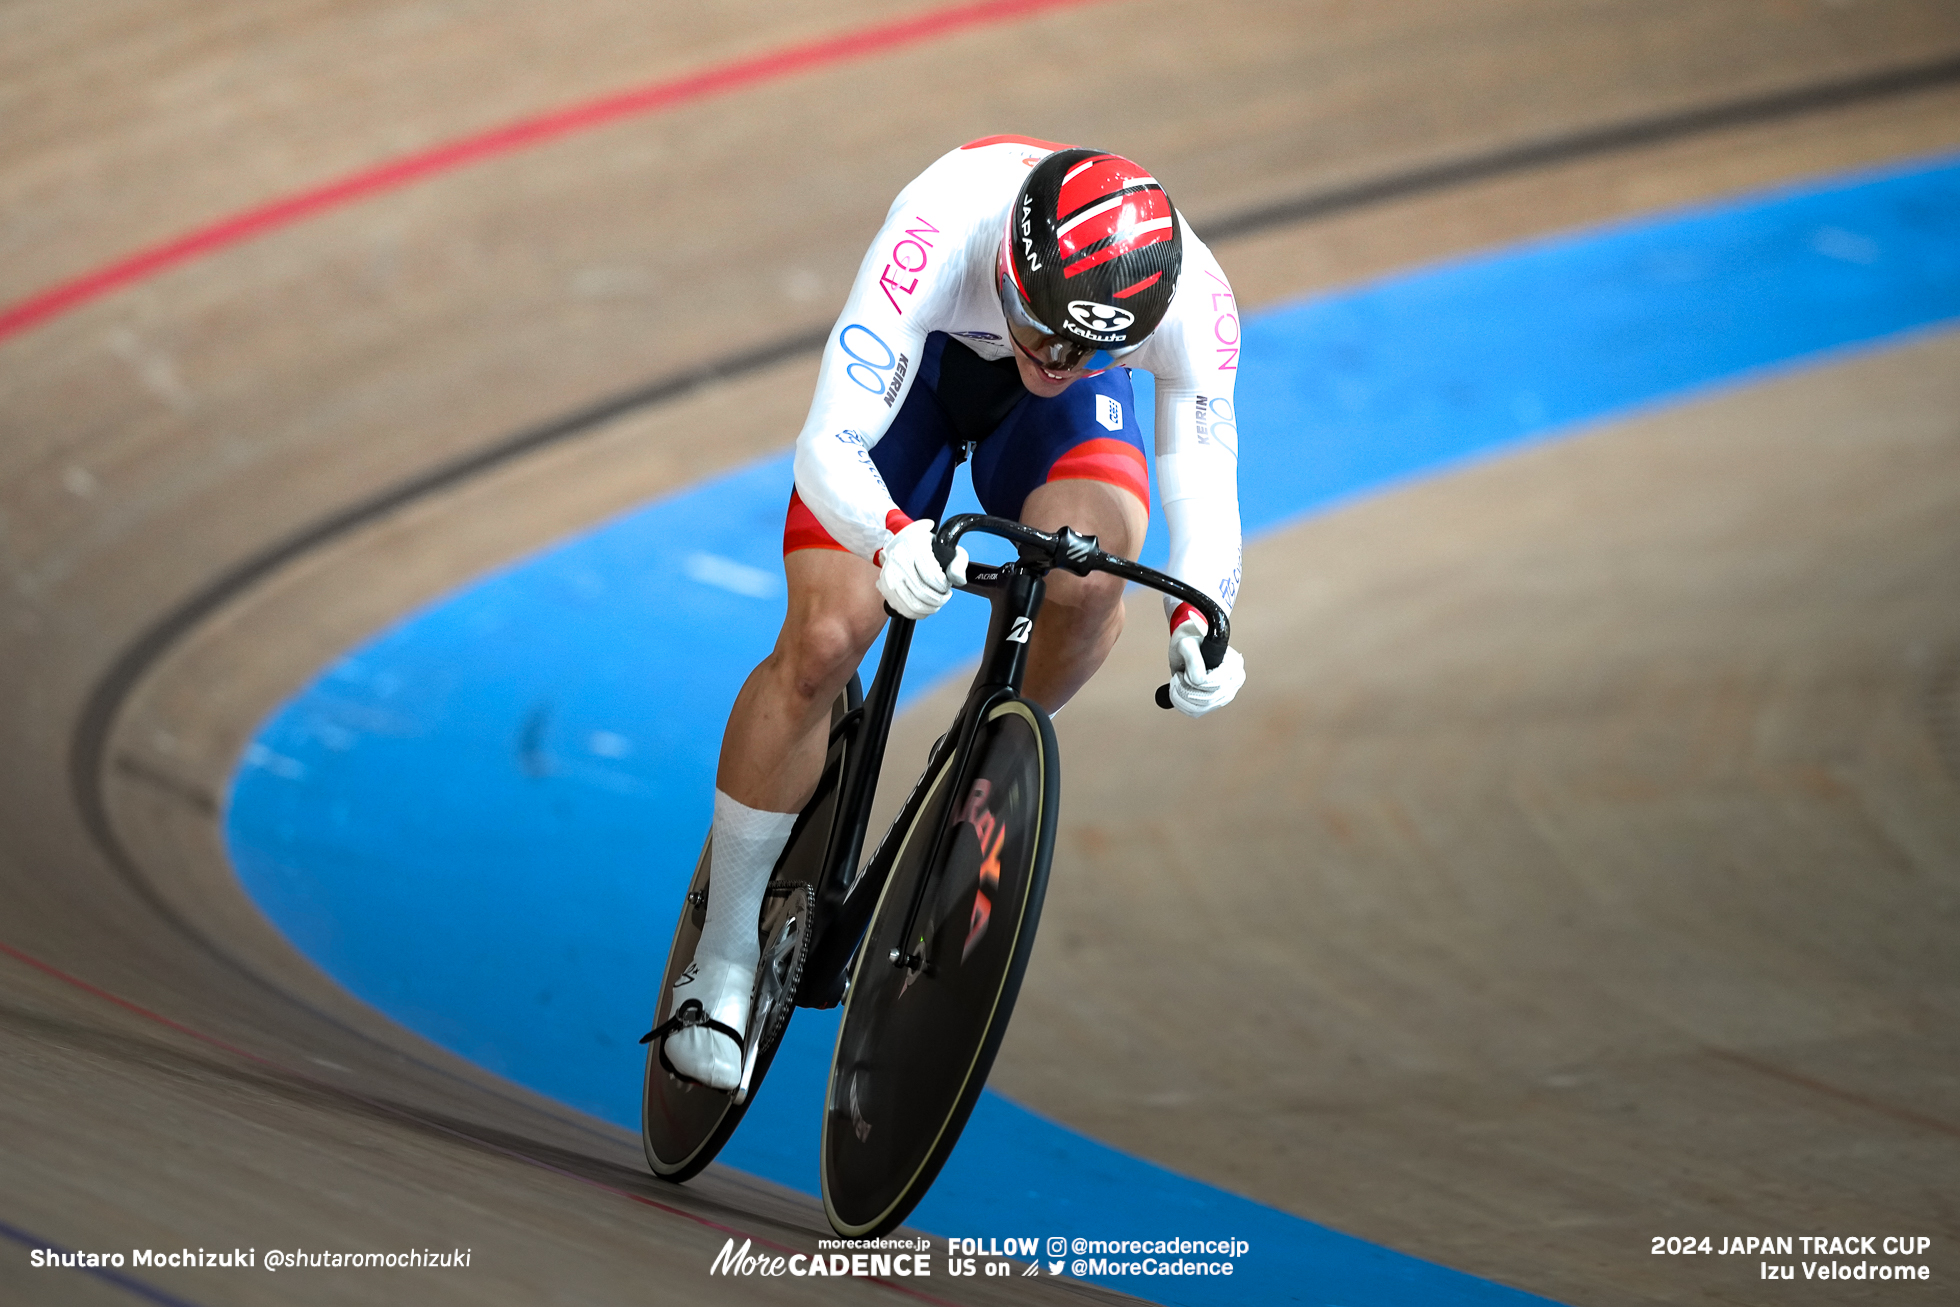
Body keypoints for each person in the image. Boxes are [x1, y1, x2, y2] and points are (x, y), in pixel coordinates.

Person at [666, 136, 1247, 1088]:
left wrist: (1205, 617)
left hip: (1050, 434)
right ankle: (721, 955)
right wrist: (894, 534)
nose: (1057, 362)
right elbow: (829, 446)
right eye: (1047, 333)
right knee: (824, 637)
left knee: (1094, 575)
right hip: (922, 379)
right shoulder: (941, 227)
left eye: (1088, 347)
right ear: (1013, 269)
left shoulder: (1188, 301)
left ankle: (972, 770)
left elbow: (1207, 496)